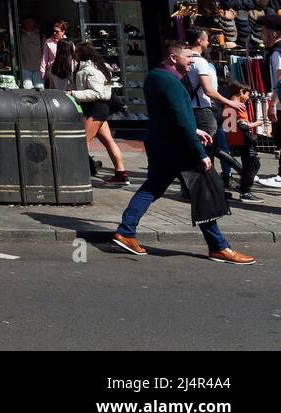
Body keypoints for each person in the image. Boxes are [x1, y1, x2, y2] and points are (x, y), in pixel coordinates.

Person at [112, 41, 254, 264]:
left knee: (153, 187)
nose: (192, 61)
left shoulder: (154, 77)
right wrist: (200, 152)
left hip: (160, 144)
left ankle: (126, 231)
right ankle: (219, 247)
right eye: (188, 57)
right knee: (203, 193)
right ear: (172, 58)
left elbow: (169, 115)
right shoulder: (172, 82)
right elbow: (179, 117)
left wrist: (194, 128)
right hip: (179, 147)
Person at [68, 43, 129, 184]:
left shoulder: (89, 70)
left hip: (95, 108)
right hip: (99, 109)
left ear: (81, 54)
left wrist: (72, 93)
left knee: (81, 142)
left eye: (76, 51)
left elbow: (97, 93)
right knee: (108, 140)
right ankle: (121, 174)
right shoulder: (96, 68)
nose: (74, 54)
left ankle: (78, 175)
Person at [220, 80, 262, 202]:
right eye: (247, 95)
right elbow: (244, 125)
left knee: (251, 164)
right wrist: (258, 123)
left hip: (234, 139)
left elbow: (229, 126)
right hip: (243, 139)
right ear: (241, 92)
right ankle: (245, 191)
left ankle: (244, 186)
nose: (248, 98)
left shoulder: (227, 104)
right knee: (252, 164)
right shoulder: (239, 105)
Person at [257, 15, 281, 189]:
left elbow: (280, 80)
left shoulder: (278, 54)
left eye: (263, 32)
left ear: (273, 34)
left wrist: (273, 103)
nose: (261, 36)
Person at [18, 16, 44, 88]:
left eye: (31, 21)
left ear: (34, 23)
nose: (29, 24)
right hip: (24, 67)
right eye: (27, 22)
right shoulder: (18, 34)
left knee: (40, 88)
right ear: (23, 23)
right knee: (27, 89)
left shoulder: (40, 34)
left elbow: (44, 51)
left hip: (38, 68)